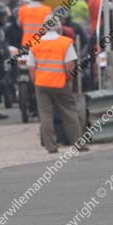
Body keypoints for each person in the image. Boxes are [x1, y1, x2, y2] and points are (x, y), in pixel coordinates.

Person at [27, 13, 89, 154]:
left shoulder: (35, 42)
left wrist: (35, 81)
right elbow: (70, 65)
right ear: (58, 26)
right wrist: (68, 80)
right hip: (61, 83)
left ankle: (51, 146)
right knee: (69, 113)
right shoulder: (65, 42)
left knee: (45, 115)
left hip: (41, 83)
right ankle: (78, 144)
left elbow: (31, 66)